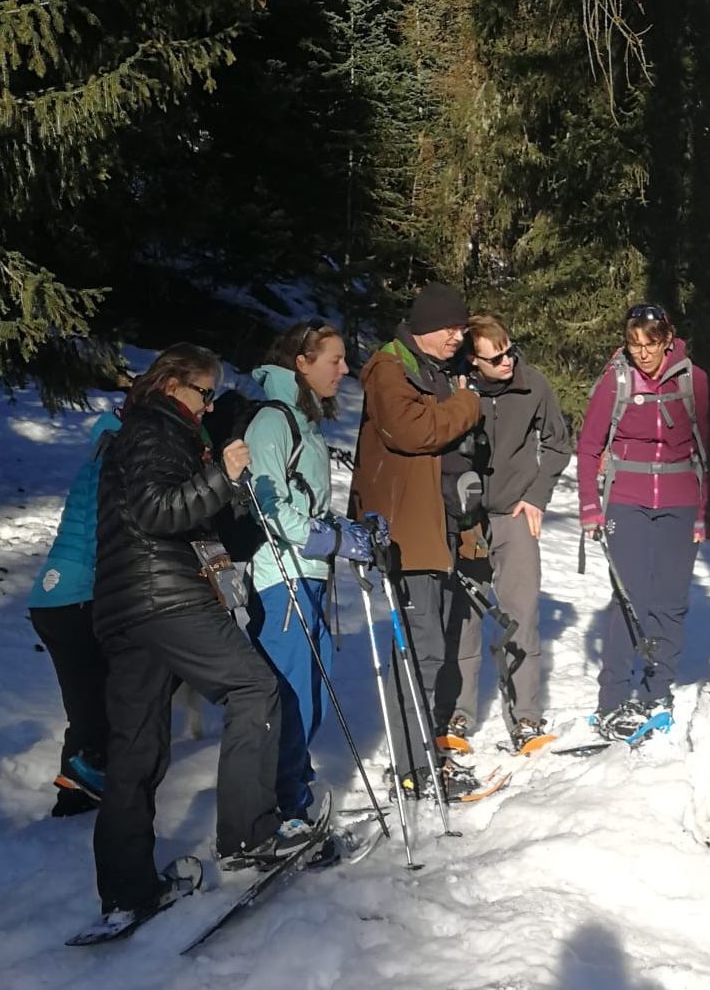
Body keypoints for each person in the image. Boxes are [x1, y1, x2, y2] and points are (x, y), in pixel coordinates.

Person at [90, 343, 306, 928]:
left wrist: (236, 503)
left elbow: (180, 518)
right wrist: (221, 475)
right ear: (171, 385)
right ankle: (249, 835)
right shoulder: (157, 429)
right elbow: (160, 513)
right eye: (204, 393)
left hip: (126, 605)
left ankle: (127, 889)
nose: (209, 407)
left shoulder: (142, 432)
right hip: (165, 594)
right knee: (253, 687)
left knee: (135, 748)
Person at [348, 282, 481, 797]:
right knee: (420, 650)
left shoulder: (429, 369)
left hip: (433, 528)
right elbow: (414, 432)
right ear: (427, 327)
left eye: (462, 328)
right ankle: (413, 764)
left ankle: (422, 755)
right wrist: (467, 405)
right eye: (452, 328)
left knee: (430, 648)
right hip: (406, 532)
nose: (458, 337)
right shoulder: (390, 368)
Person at [243, 321, 373, 826]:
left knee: (312, 694)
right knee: (292, 696)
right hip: (281, 577)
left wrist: (349, 531)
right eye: (334, 360)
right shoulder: (273, 420)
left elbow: (306, 505)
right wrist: (328, 538)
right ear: (301, 360)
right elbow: (266, 504)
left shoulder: (304, 420)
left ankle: (292, 784)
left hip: (308, 573)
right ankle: (280, 804)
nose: (344, 370)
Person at [576, 303, 710, 738]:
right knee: (629, 596)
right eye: (635, 344)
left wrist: (703, 513)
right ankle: (612, 699)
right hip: (627, 498)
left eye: (650, 344)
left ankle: (658, 689)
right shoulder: (616, 381)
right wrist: (589, 506)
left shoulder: (694, 380)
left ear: (667, 339)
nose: (643, 353)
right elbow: (588, 446)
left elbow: (708, 451)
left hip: (680, 498)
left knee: (671, 601)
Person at [448, 313, 571, 750]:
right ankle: (458, 713)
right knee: (464, 616)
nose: (506, 361)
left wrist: (537, 495)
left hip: (516, 514)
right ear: (473, 361)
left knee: (522, 614)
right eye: (495, 357)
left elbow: (559, 443)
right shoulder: (459, 390)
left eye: (509, 350)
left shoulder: (532, 383)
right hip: (468, 517)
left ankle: (525, 716)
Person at [27, 407, 120, 814]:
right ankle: (96, 778)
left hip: (49, 601)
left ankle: (72, 795)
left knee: (82, 706)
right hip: (79, 598)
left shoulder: (89, 468)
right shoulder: (112, 473)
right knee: (108, 696)